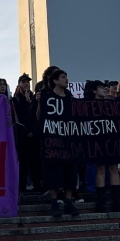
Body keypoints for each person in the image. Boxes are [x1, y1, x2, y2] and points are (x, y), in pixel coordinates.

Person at [38, 68, 80, 218]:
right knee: (54, 172)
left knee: (70, 172)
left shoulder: (70, 97)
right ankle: (54, 203)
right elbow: (39, 117)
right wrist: (38, 103)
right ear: (55, 81)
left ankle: (69, 202)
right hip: (53, 141)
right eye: (63, 77)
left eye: (66, 76)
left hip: (69, 141)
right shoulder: (46, 96)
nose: (66, 79)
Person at [84, 80, 120, 212]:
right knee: (100, 168)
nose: (104, 89)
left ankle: (117, 200)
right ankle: (101, 201)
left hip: (111, 139)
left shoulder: (111, 104)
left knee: (113, 168)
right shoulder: (88, 105)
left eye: (105, 87)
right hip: (97, 140)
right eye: (101, 87)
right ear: (94, 90)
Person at [13, 74, 41, 192]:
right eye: (23, 82)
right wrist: (25, 132)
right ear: (19, 84)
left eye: (27, 82)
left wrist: (34, 131)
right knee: (23, 163)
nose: (26, 84)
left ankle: (37, 185)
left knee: (35, 162)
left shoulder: (35, 98)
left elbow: (37, 116)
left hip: (34, 135)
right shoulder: (15, 99)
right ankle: (22, 187)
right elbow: (16, 118)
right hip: (22, 136)